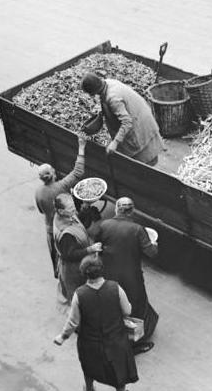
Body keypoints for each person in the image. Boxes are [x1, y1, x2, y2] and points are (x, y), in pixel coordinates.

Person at [54, 255, 138, 391]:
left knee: (89, 366)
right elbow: (127, 310)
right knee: (118, 368)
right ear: (101, 270)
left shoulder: (80, 295)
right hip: (115, 339)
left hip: (90, 341)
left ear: (84, 274)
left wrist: (63, 336)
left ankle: (89, 390)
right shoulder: (115, 288)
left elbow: (73, 321)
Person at [92, 197, 159, 354]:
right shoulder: (137, 229)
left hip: (108, 274)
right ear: (132, 211)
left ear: (116, 209)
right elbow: (151, 252)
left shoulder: (105, 225)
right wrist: (154, 244)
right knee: (135, 309)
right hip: (131, 277)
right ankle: (132, 345)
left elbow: (97, 244)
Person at [80, 72, 163, 166]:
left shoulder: (113, 98)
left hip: (139, 123)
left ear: (92, 92)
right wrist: (101, 114)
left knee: (145, 162)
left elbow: (127, 122)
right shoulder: (108, 82)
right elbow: (109, 103)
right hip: (139, 116)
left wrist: (115, 142)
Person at [35, 133, 87, 279]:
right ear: (52, 174)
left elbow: (41, 210)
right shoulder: (60, 187)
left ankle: (59, 275)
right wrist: (81, 146)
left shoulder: (38, 192)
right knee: (73, 252)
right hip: (65, 227)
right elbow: (78, 172)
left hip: (51, 229)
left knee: (56, 254)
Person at [53, 193, 101, 302]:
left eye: (74, 207)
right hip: (73, 269)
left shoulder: (66, 215)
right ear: (61, 211)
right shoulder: (65, 234)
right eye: (71, 209)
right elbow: (70, 255)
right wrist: (91, 249)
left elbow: (78, 222)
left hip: (80, 261)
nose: (74, 211)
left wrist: (85, 208)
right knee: (79, 295)